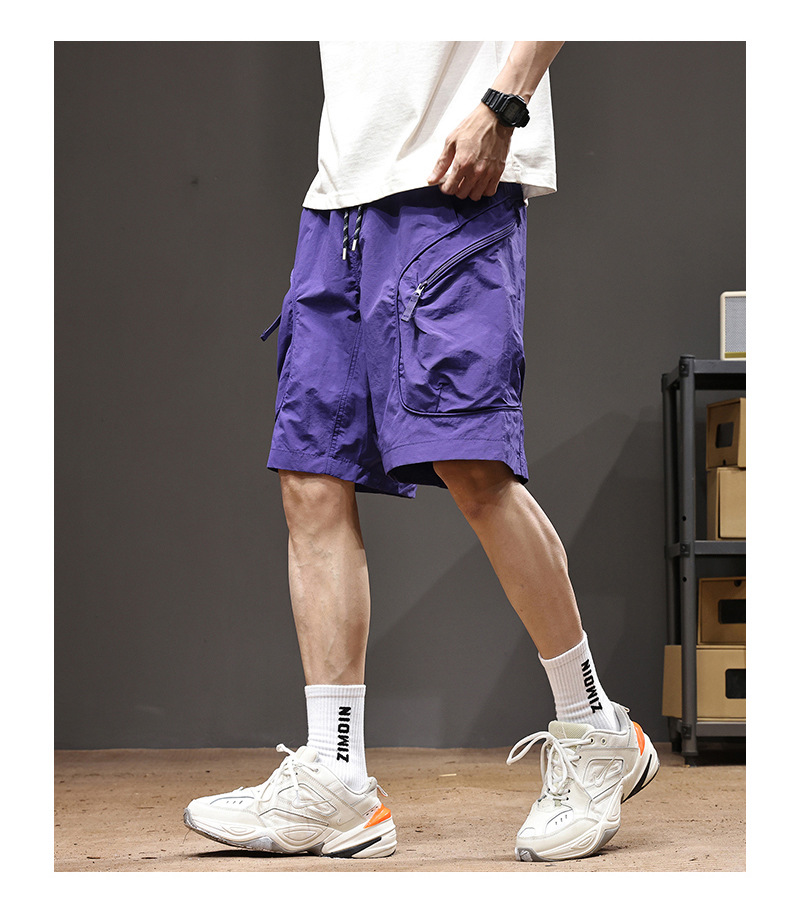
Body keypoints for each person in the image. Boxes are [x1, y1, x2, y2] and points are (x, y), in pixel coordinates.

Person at [183, 40, 658, 863]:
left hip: (450, 179)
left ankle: (595, 729)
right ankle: (337, 779)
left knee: (472, 464)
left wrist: (504, 103)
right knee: (311, 475)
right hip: (339, 198)